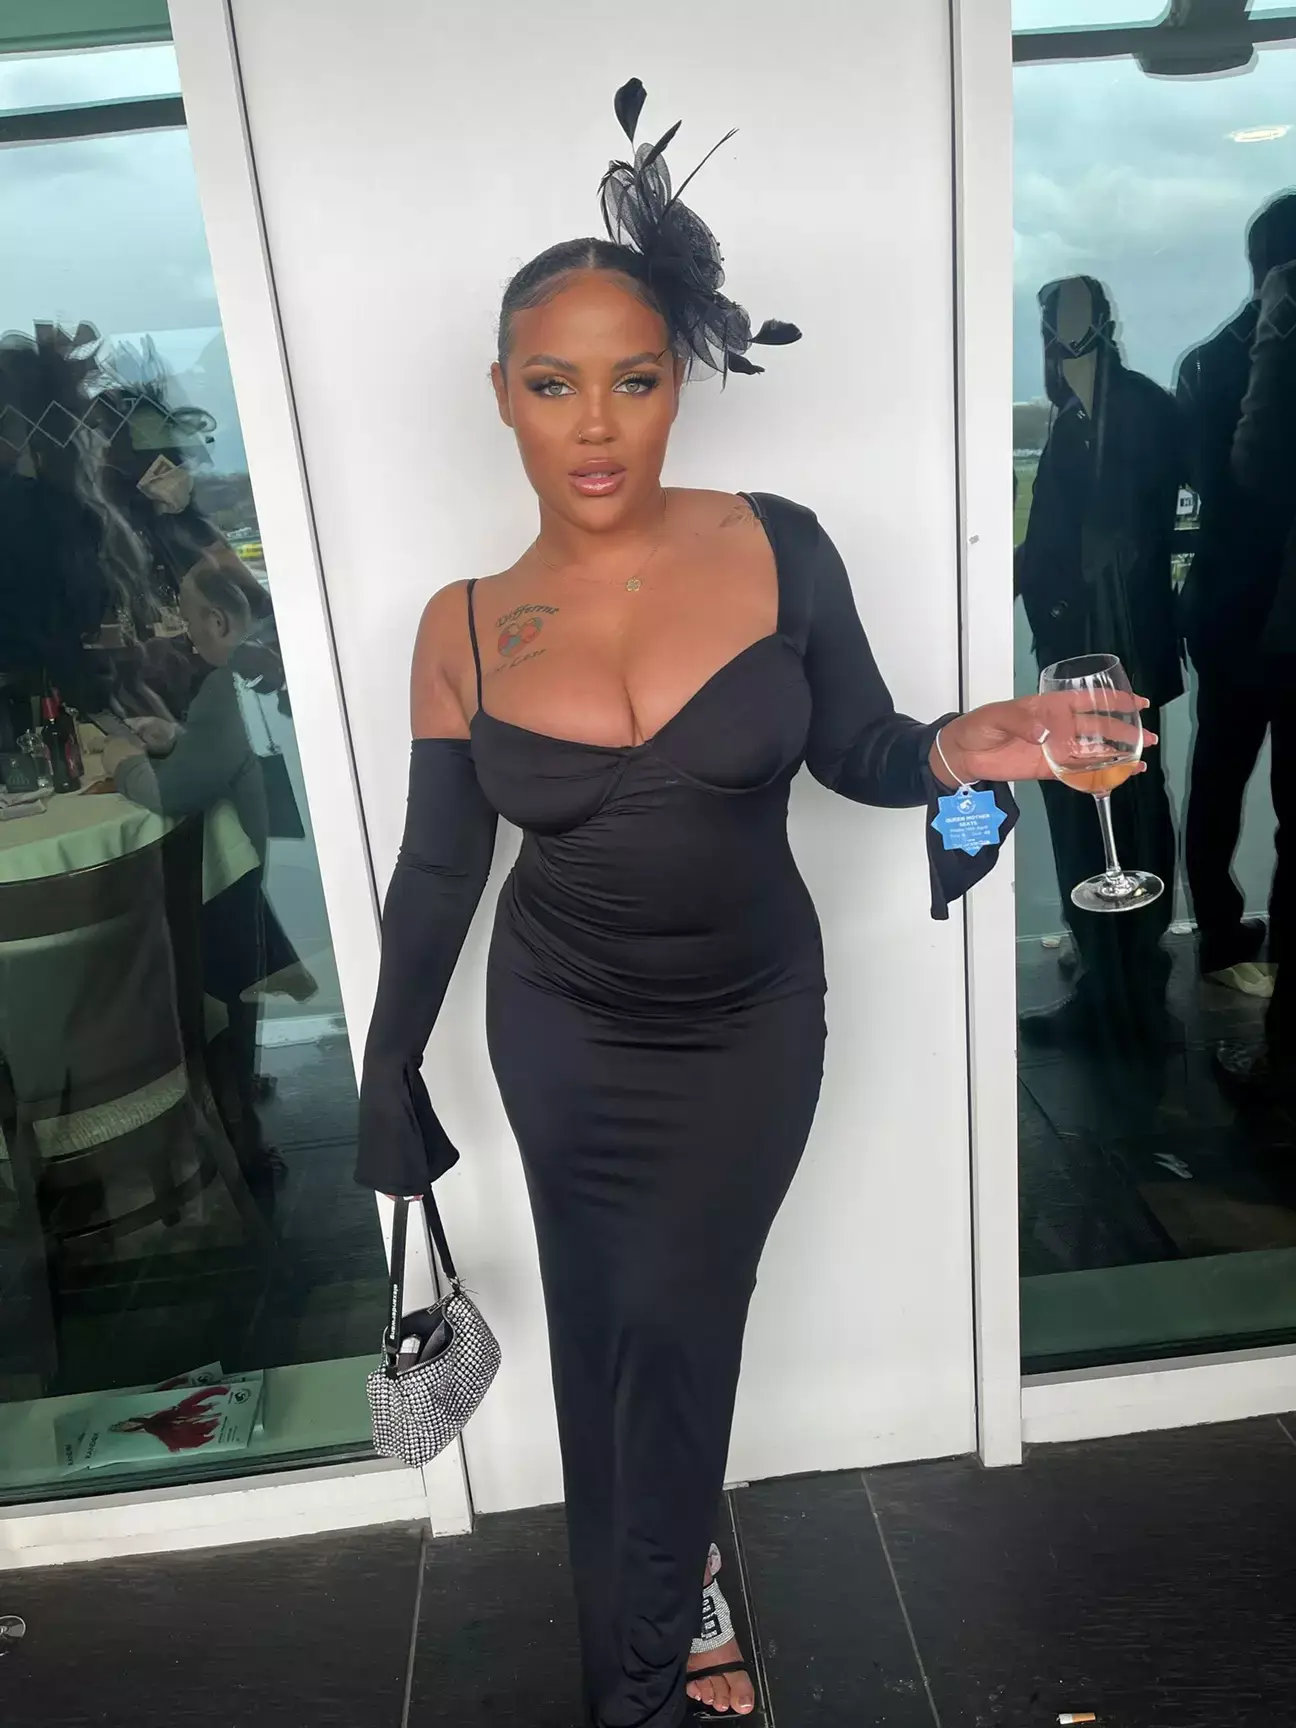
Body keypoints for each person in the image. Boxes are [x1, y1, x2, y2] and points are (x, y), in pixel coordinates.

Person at [354, 81, 1149, 1727]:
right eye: (554, 383)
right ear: (501, 395)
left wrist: (962, 743)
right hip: (559, 1028)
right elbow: (439, 867)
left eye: (634, 379)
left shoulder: (779, 547)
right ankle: (656, 1640)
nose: (595, 424)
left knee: (677, 1321)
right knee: (612, 1333)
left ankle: (642, 1661)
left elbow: (862, 748)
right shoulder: (463, 620)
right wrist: (386, 1063)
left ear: (679, 382)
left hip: (744, 1027)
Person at [1016, 276, 1184, 1051]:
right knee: (1109, 812)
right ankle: (1114, 973)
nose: (1053, 341)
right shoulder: (1085, 416)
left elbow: (1118, 541)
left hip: (1109, 656)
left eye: (1061, 324)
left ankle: (1121, 985)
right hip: (1095, 651)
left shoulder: (1132, 413)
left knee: (1114, 813)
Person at [101, 556, 303, 1185]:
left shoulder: (228, 682)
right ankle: (240, 1089)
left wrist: (122, 759)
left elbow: (170, 795)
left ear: (218, 619)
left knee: (208, 958)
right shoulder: (269, 661)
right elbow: (235, 751)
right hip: (290, 863)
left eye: (189, 620)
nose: (186, 635)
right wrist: (180, 735)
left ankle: (230, 1116)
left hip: (253, 878)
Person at [1176, 191, 1296, 992]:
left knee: (1216, 778)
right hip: (1282, 609)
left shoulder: (1204, 362)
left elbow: (1205, 483)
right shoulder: (1267, 356)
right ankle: (1283, 947)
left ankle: (1220, 935)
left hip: (1224, 604)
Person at [1212, 249, 1296, 1121]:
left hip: (1263, 620)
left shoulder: (1279, 312)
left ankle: (1286, 1061)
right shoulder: (1212, 358)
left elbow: (1256, 462)